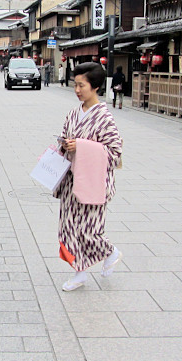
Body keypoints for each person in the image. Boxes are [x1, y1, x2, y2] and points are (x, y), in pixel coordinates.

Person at [55, 62, 123, 291]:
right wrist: (65, 145)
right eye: (75, 85)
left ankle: (110, 252)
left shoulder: (105, 118)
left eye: (81, 85)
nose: (77, 90)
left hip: (93, 183)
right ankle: (79, 272)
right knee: (68, 228)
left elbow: (114, 154)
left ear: (94, 87)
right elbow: (65, 138)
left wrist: (81, 147)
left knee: (88, 230)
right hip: (71, 182)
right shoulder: (73, 114)